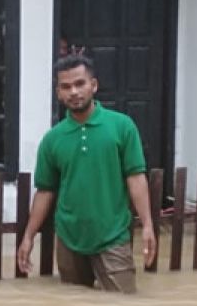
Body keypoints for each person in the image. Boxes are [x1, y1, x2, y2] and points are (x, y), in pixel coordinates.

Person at [16, 54, 156, 293]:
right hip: (69, 237)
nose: (74, 92)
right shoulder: (52, 139)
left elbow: (135, 177)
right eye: (66, 86)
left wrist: (147, 225)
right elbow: (45, 191)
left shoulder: (122, 126)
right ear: (58, 93)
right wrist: (29, 236)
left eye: (80, 84)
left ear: (94, 85)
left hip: (113, 235)